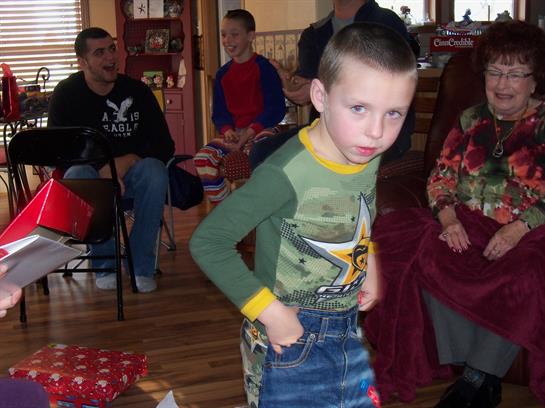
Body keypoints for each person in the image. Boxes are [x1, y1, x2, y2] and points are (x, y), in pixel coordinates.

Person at [190, 23, 417, 407]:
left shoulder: (364, 150)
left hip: (346, 328)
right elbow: (208, 242)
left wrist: (370, 262)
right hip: (288, 335)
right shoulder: (285, 173)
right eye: (359, 108)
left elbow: (361, 211)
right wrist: (270, 313)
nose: (376, 131)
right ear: (320, 96)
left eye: (393, 113)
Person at [363, 20, 545, 407]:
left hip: (528, 231)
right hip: (467, 223)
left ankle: (477, 379)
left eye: (515, 73)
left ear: (534, 80)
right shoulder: (471, 120)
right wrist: (449, 219)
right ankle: (479, 376)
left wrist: (518, 228)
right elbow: (440, 178)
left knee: (525, 273)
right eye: (495, 71)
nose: (503, 83)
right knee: (423, 252)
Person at [48, 27, 175, 293]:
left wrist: (125, 161)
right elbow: (58, 152)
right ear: (82, 62)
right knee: (79, 174)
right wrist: (102, 168)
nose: (110, 57)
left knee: (155, 171)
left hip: (134, 173)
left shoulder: (138, 91)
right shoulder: (66, 94)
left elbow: (165, 145)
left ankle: (140, 266)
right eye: (99, 53)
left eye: (112, 49)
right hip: (89, 176)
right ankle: (105, 263)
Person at [249, 0, 420, 169]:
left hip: (383, 136)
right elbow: (306, 83)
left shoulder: (386, 22)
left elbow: (389, 83)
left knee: (316, 165)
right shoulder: (314, 33)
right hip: (328, 132)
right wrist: (293, 86)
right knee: (262, 152)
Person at [194, 9, 285, 204]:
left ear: (250, 36)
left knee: (260, 151)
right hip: (234, 134)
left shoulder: (264, 68)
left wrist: (250, 132)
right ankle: (226, 210)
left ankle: (259, 207)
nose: (227, 40)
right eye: (223, 35)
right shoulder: (223, 74)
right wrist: (227, 131)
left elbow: (275, 108)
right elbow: (219, 113)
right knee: (203, 158)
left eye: (234, 34)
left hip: (262, 130)